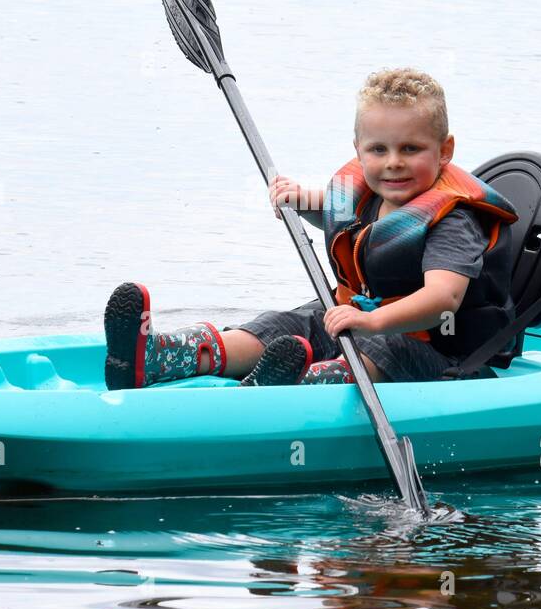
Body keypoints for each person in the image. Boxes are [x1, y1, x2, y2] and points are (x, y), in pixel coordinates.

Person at [103, 68, 519, 390]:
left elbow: (443, 298)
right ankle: (163, 358)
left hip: (438, 354)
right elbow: (341, 221)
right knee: (293, 322)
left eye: (411, 149)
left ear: (444, 151)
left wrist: (374, 323)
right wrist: (298, 199)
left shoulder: (453, 221)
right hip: (358, 319)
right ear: (358, 149)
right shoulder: (372, 194)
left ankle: (296, 385)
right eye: (379, 149)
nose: (393, 162)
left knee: (382, 347)